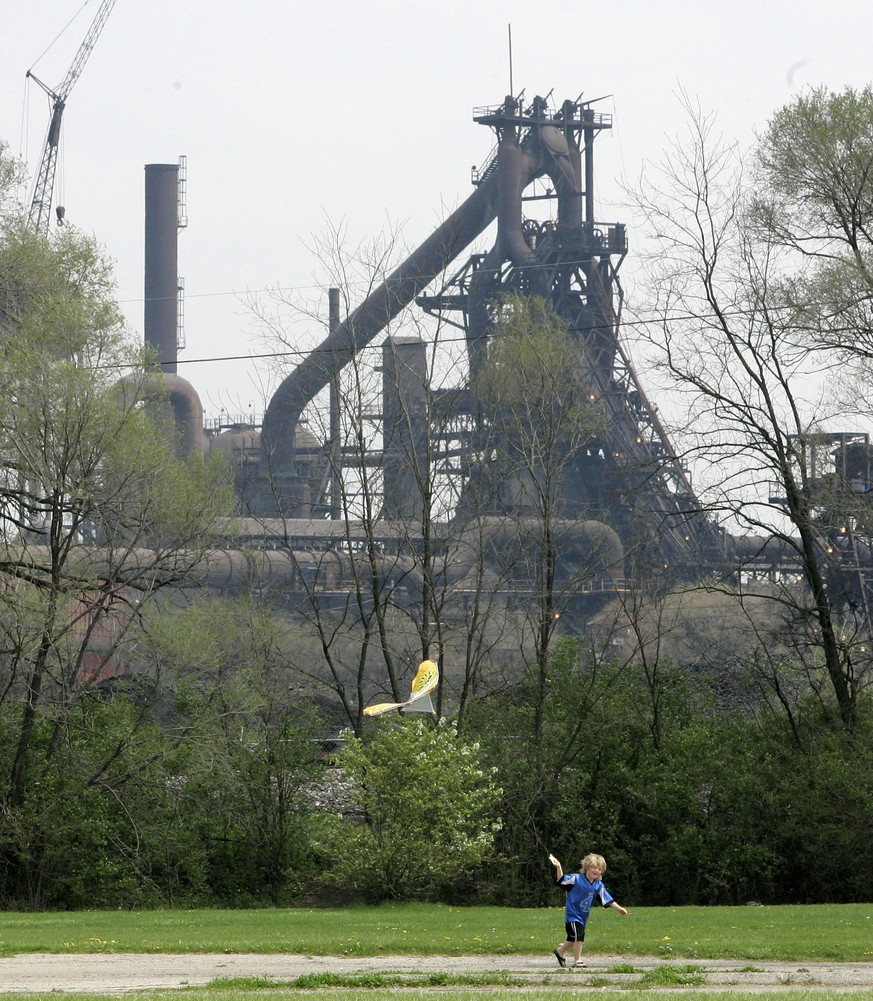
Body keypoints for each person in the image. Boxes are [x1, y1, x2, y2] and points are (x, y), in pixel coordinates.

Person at [550, 852, 627, 968]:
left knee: (573, 938)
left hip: (583, 916)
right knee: (579, 936)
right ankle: (578, 960)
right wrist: (558, 866)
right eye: (594, 867)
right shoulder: (576, 879)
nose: (597, 871)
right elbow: (561, 880)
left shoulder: (598, 885)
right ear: (586, 867)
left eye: (600, 869)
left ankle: (560, 952)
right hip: (572, 914)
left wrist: (619, 909)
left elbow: (607, 899)